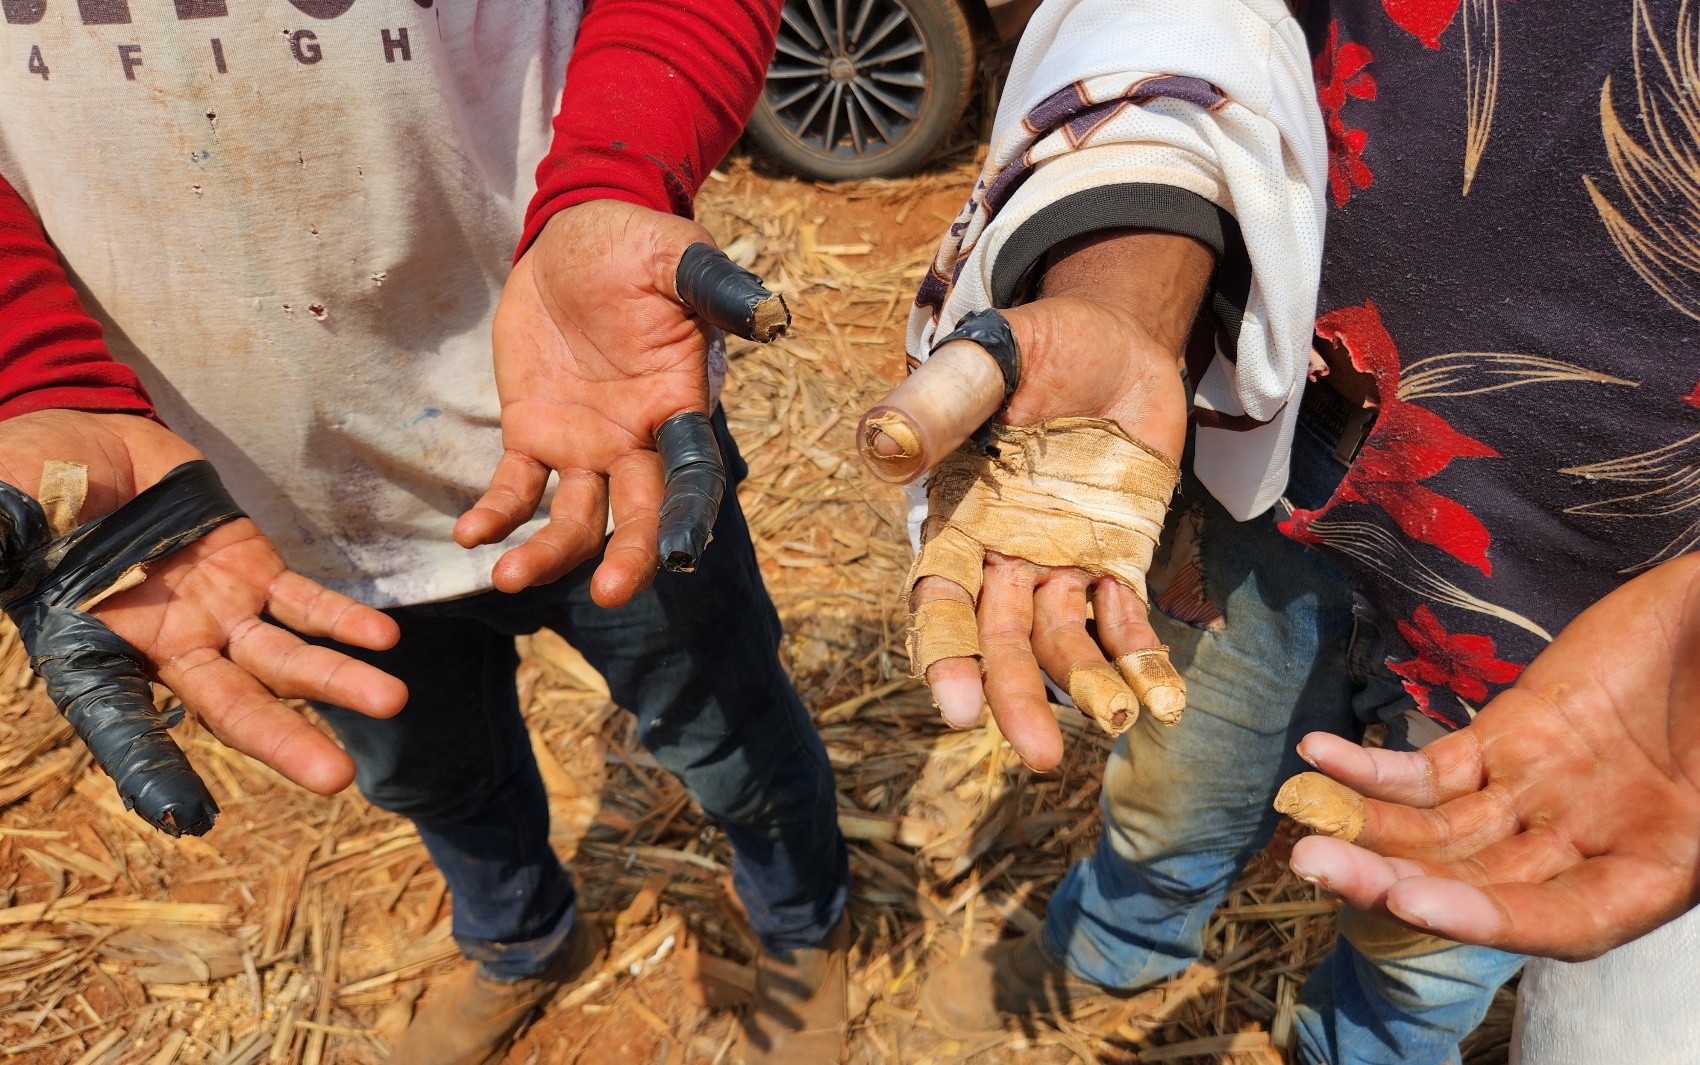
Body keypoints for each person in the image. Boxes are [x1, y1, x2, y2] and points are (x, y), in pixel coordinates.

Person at [0, 3, 849, 1063]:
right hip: (242, 504)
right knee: (427, 774)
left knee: (726, 727)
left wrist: (613, 179)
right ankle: (521, 943)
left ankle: (802, 923)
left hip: (588, 422)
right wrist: (34, 370)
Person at [886, 0, 1700, 1062]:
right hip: (1285, 474)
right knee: (1178, 768)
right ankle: (1112, 948)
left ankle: (1357, 1043)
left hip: (1607, 624)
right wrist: (1121, 284)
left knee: (1439, 911)